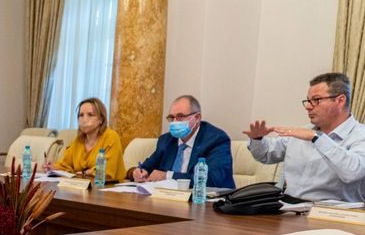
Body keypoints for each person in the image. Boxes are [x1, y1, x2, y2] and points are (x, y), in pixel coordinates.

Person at [244, 72, 365, 202]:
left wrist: (317, 138)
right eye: (308, 100)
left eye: (316, 100)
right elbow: (266, 154)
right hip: (286, 207)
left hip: (331, 211)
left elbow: (352, 173)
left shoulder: (360, 135)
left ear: (340, 101)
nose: (308, 107)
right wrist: (257, 139)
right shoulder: (303, 132)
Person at [129, 95, 235, 188]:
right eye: (172, 117)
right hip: (168, 199)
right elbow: (147, 167)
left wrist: (168, 176)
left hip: (207, 201)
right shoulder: (166, 140)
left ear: (197, 117)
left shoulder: (216, 139)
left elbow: (212, 180)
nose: (175, 122)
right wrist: (139, 172)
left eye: (180, 117)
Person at [53, 97, 127, 181]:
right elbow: (66, 164)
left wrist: (85, 172)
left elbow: (106, 172)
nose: (84, 119)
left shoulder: (111, 137)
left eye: (90, 115)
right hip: (83, 185)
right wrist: (53, 167)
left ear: (101, 119)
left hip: (110, 187)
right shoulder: (79, 140)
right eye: (81, 115)